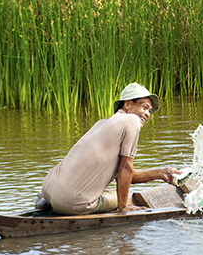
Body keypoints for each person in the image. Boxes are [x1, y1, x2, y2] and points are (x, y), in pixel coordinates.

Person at [36, 82, 180, 215]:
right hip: (72, 203)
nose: (148, 114)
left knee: (117, 191)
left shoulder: (101, 124)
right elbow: (125, 169)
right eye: (145, 107)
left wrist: (161, 173)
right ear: (128, 104)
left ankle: (46, 201)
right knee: (128, 197)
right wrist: (124, 207)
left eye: (150, 111)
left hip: (48, 188)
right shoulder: (132, 120)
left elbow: (124, 175)